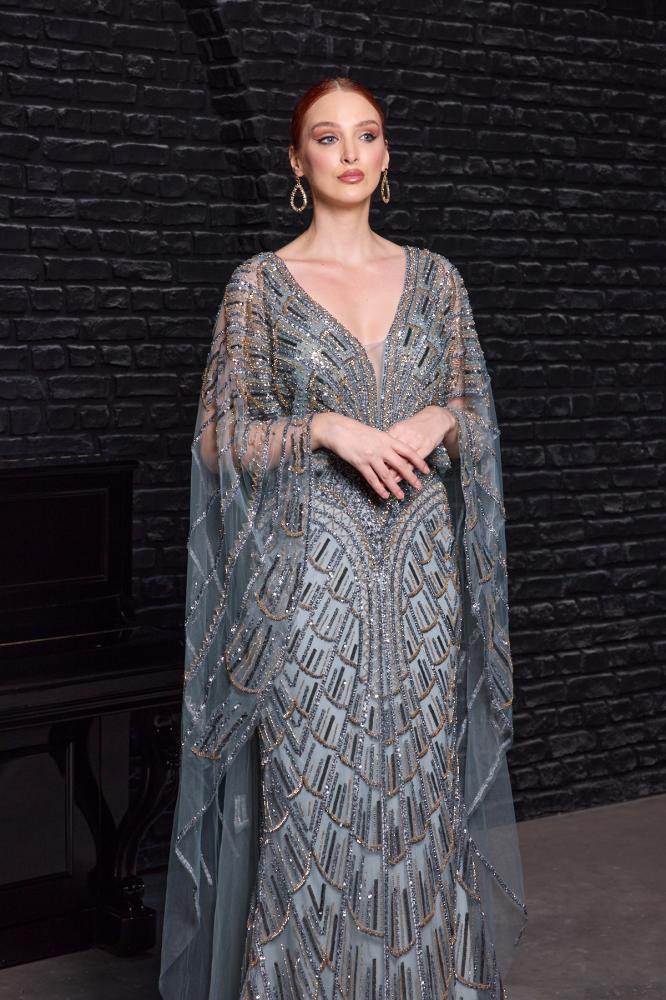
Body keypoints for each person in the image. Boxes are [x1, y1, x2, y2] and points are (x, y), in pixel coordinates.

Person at [158, 76, 528, 1000]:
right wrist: (322, 429)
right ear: (298, 161)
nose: (350, 152)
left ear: (387, 155)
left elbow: (478, 418)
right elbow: (218, 441)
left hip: (423, 585)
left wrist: (443, 417)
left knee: (421, 802)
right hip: (309, 588)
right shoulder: (260, 288)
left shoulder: (439, 281)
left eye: (367, 135)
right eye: (327, 138)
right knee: (314, 803)